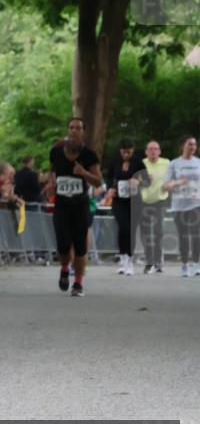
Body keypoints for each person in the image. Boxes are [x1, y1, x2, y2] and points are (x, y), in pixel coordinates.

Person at [48, 117, 102, 297]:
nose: (74, 131)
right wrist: (52, 183)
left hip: (80, 206)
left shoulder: (89, 155)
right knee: (63, 244)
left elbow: (98, 181)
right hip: (61, 205)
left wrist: (83, 172)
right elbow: (52, 170)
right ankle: (65, 268)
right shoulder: (56, 152)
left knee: (80, 247)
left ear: (83, 132)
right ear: (67, 130)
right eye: (71, 127)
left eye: (78, 128)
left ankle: (78, 283)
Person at [106, 139, 148, 276]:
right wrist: (110, 189)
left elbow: (147, 180)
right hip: (119, 200)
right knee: (123, 227)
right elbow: (109, 178)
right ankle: (123, 259)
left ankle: (130, 261)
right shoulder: (114, 161)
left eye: (129, 151)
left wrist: (139, 181)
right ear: (120, 151)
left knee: (131, 230)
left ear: (133, 149)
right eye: (124, 151)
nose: (126, 154)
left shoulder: (138, 162)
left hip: (135, 201)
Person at [162, 136, 200, 277]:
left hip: (196, 203)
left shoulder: (199, 163)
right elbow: (165, 186)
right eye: (190, 144)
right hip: (179, 205)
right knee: (184, 236)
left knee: (196, 234)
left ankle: (196, 263)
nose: (193, 147)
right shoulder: (174, 164)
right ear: (183, 145)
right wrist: (178, 182)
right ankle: (185, 265)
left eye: (194, 145)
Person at [139, 141, 170, 274]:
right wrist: (141, 181)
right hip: (144, 201)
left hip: (160, 200)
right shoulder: (141, 163)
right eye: (150, 149)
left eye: (155, 149)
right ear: (146, 152)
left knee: (159, 231)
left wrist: (169, 184)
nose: (153, 151)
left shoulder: (167, 163)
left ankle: (157, 261)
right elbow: (133, 180)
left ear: (159, 151)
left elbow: (173, 177)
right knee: (145, 232)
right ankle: (149, 262)